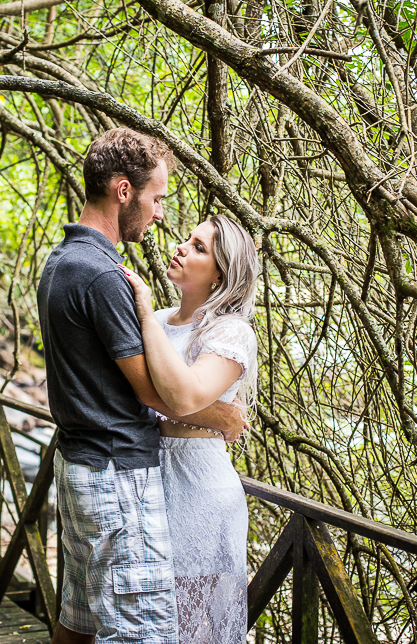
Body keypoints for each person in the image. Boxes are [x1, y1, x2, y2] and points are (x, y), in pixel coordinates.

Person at [38, 129, 246, 644]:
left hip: (83, 461)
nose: (159, 214)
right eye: (156, 198)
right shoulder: (106, 276)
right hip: (115, 472)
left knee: (79, 619)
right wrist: (221, 417)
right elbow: (154, 393)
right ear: (124, 191)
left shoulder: (61, 261)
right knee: (139, 634)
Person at [118, 215, 258, 644]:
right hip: (147, 474)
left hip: (201, 488)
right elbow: (130, 392)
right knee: (145, 618)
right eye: (187, 239)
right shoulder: (158, 320)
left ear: (221, 273)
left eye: (199, 247)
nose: (181, 247)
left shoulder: (231, 333)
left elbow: (183, 396)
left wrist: (141, 310)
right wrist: (219, 415)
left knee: (190, 624)